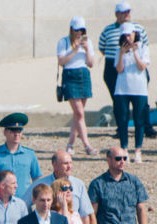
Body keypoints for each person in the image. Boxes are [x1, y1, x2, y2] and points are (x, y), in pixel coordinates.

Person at [98, 2, 157, 140]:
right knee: (118, 100)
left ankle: (146, 126)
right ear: (117, 14)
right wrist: (119, 54)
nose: (126, 15)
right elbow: (102, 48)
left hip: (135, 64)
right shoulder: (108, 30)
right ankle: (121, 127)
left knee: (142, 98)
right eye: (123, 12)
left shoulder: (139, 28)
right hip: (114, 63)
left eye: (128, 12)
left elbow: (145, 46)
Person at [57, 16, 98, 156]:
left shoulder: (88, 42)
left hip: (83, 75)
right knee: (80, 113)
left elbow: (91, 63)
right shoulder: (63, 42)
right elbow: (62, 61)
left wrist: (86, 50)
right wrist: (75, 49)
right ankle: (87, 145)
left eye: (82, 30)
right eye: (77, 30)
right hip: (70, 75)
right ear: (71, 29)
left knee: (78, 114)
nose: (79, 33)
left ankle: (70, 144)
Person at [0, 113, 41, 202]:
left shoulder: (30, 154)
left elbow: (38, 180)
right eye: (13, 130)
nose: (16, 134)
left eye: (19, 131)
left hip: (24, 204)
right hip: (0, 204)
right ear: (5, 132)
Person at [114, 22, 150, 164]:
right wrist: (123, 53)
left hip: (139, 89)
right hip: (122, 89)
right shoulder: (119, 51)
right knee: (122, 120)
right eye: (125, 35)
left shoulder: (143, 48)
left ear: (135, 34)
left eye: (130, 34)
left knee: (139, 120)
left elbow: (142, 67)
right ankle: (124, 149)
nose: (128, 38)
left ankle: (138, 150)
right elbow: (119, 69)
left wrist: (134, 52)